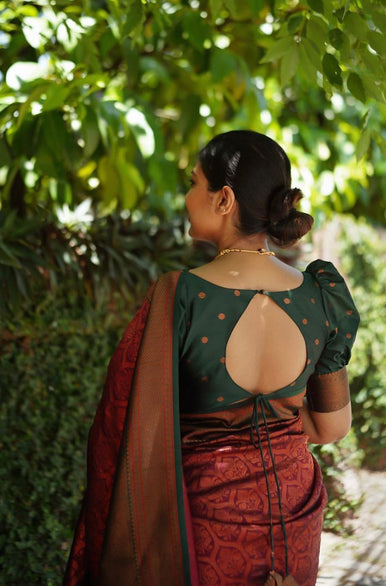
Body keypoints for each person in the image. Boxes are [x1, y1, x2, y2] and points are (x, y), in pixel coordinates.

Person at [63, 130, 360, 586]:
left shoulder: (180, 296)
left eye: (194, 182)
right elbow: (331, 427)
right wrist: (274, 427)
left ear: (223, 199)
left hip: (203, 522)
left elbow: (125, 427)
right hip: (294, 521)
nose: (186, 196)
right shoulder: (321, 297)